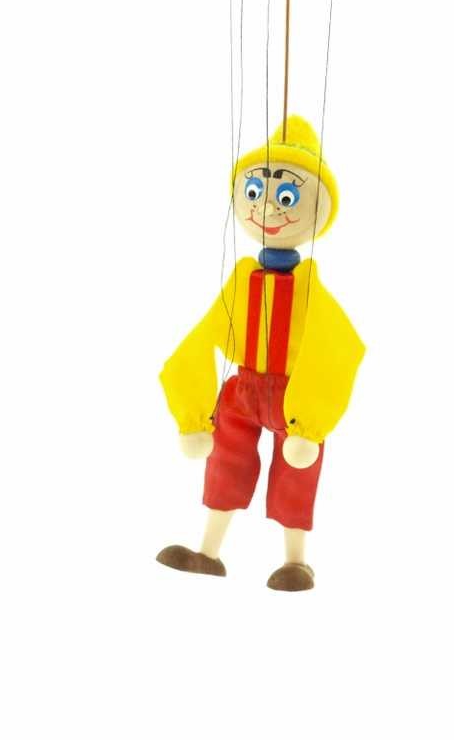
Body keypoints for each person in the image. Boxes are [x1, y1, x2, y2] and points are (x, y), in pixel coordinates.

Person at [157, 116, 364, 592]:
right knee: (224, 461)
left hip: (294, 398)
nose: (267, 206)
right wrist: (192, 415)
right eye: (254, 192)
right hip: (244, 388)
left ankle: (297, 561)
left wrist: (310, 423)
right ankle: (208, 551)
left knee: (297, 472)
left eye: (286, 196)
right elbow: (201, 336)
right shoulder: (242, 279)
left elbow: (337, 350)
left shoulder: (310, 291)